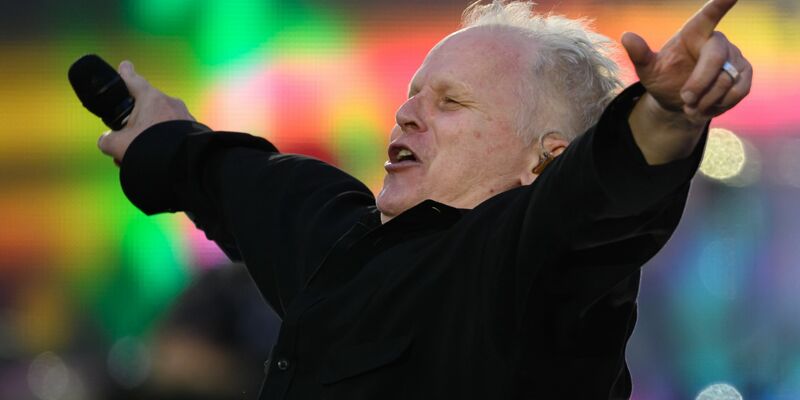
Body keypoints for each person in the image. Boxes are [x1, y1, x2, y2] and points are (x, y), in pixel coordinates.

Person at [97, 0, 752, 398]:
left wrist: (665, 116)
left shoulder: (538, 270)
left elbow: (600, 195)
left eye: (451, 103)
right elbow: (250, 185)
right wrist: (164, 138)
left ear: (544, 160)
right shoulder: (343, 246)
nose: (406, 114)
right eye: (413, 93)